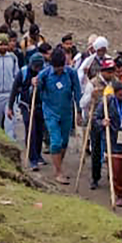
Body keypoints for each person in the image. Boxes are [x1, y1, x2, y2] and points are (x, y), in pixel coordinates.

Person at [35, 46, 81, 185]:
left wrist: (78, 111)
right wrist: (35, 84)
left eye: (61, 67)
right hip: (50, 111)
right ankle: (58, 172)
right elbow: (37, 92)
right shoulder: (44, 74)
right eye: (56, 67)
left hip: (66, 112)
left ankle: (59, 165)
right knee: (56, 141)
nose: (59, 70)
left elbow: (77, 93)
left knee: (64, 142)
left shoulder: (71, 73)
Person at [11, 55, 47, 171]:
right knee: (31, 129)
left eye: (39, 67)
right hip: (26, 104)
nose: (37, 69)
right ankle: (33, 159)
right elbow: (15, 89)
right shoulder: (23, 72)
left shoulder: (44, 73)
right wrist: (10, 106)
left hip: (40, 105)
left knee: (40, 131)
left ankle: (38, 153)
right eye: (35, 66)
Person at [88, 59, 118, 190]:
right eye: (109, 71)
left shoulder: (116, 83)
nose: (111, 74)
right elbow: (84, 102)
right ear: (102, 71)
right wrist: (91, 96)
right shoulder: (93, 83)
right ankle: (95, 177)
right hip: (97, 120)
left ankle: (112, 177)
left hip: (112, 120)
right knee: (96, 151)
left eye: (113, 71)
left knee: (112, 150)